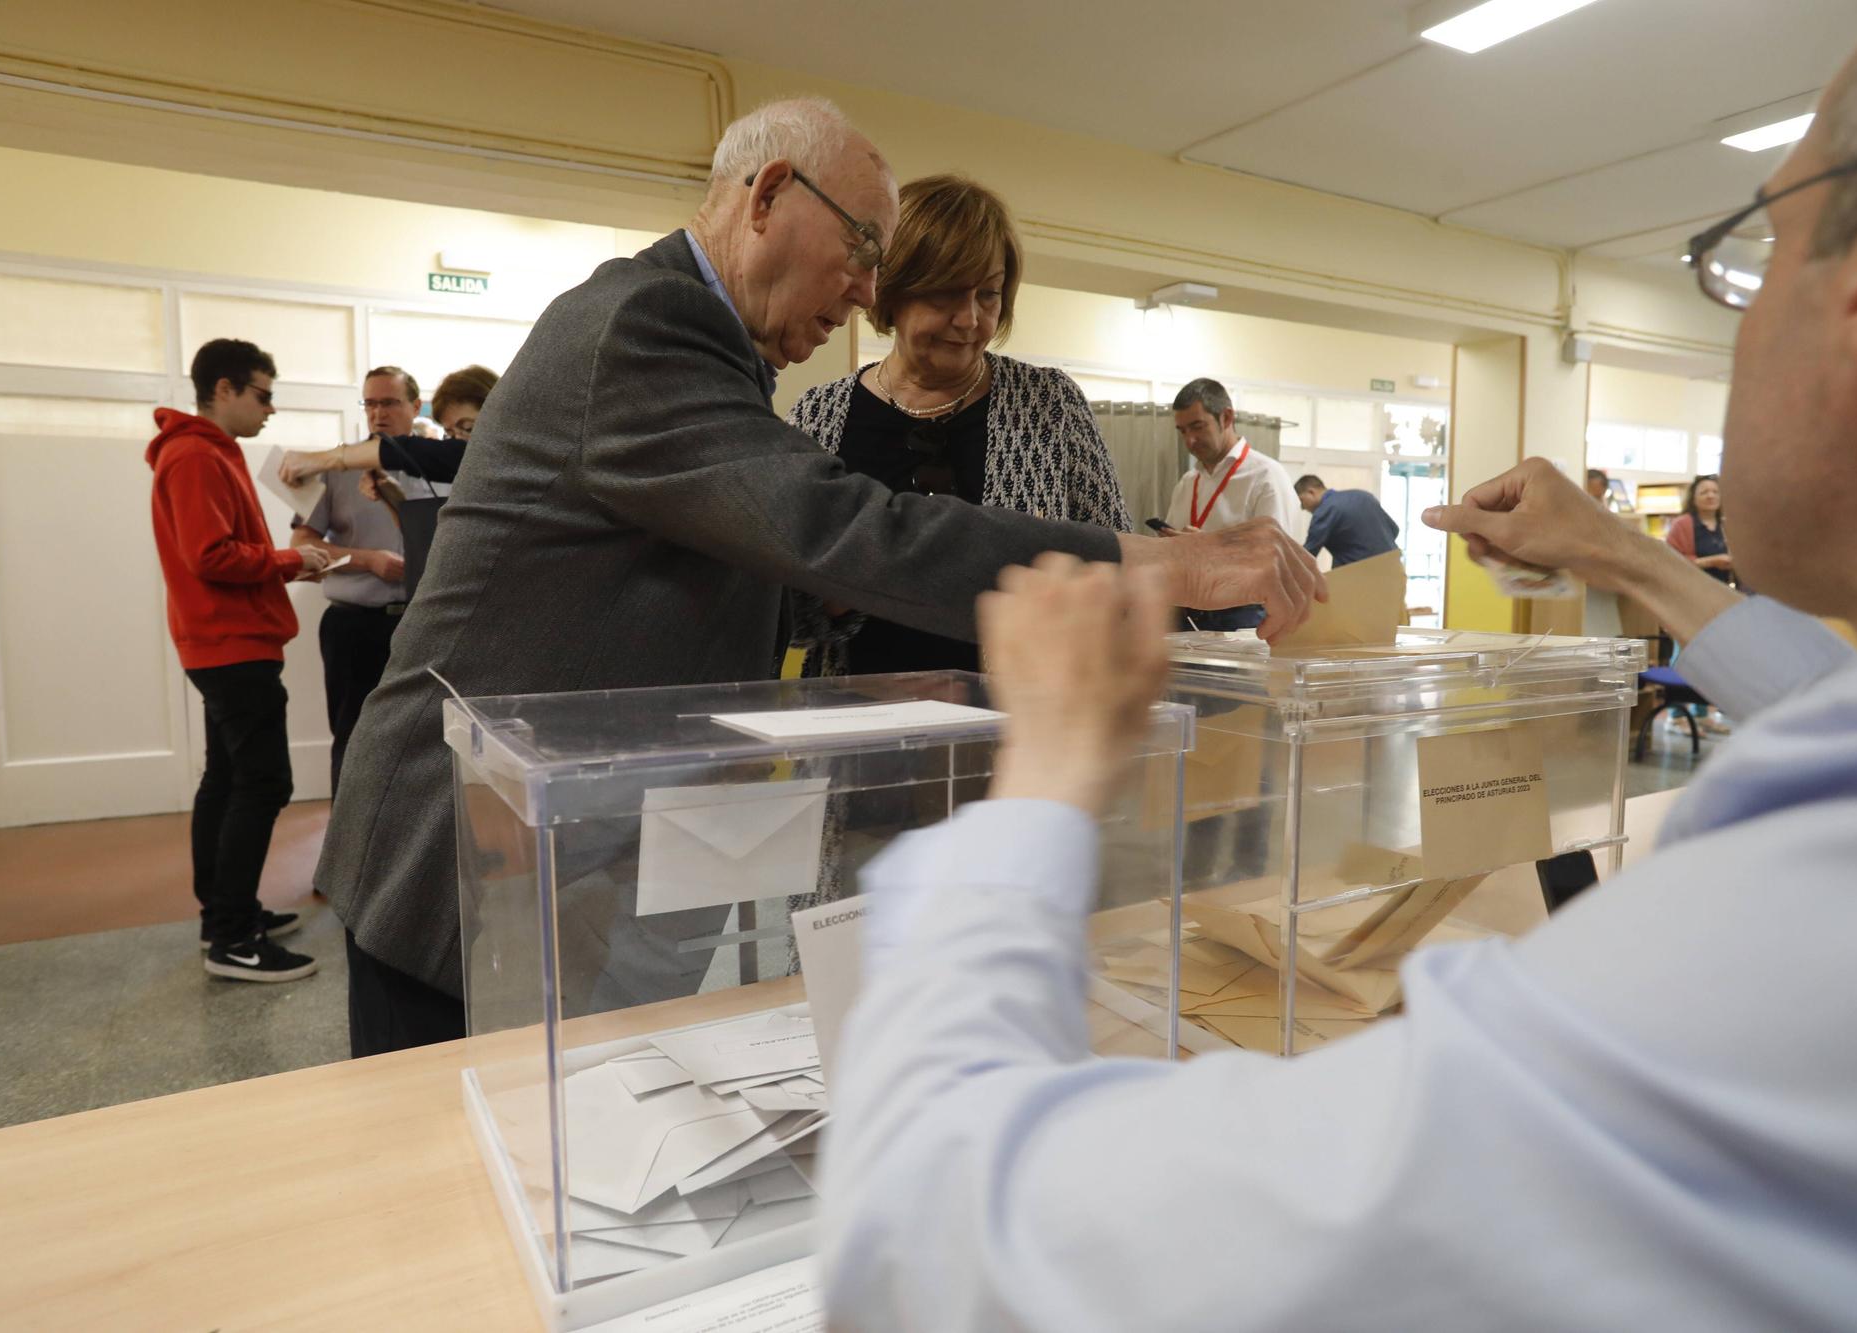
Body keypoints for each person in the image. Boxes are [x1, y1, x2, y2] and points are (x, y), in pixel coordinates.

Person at [817, 13, 1857, 1326]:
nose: (966, 317)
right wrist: (1629, 554)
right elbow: (1843, 713)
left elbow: (939, 1242)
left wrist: (1039, 780)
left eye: (1755, 251)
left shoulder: (1793, 943)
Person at [314, 96, 1323, 1058]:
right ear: (767, 197)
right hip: (474, 843)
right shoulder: (643, 326)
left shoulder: (725, 353)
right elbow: (846, 528)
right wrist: (1162, 560)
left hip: (579, 842)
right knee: (451, 1178)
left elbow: (763, 572)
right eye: (864, 254)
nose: (866, 292)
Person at [788, 174, 1131, 674]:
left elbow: (1114, 561)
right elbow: (783, 610)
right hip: (858, 729)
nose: (970, 320)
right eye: (945, 295)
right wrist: (844, 587)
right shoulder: (820, 416)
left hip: (1016, 730)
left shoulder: (1048, 405)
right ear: (891, 290)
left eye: (988, 295)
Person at [146, 338, 328, 983]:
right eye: (262, 394)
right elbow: (212, 556)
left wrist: (284, 565)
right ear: (224, 389)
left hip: (225, 640)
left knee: (225, 781)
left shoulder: (203, 453)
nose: (269, 410)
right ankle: (233, 940)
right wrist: (290, 561)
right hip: (231, 645)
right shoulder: (195, 456)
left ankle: (226, 912)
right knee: (262, 783)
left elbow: (217, 553)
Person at [289, 366, 433, 789]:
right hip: (355, 625)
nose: (378, 413)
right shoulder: (338, 467)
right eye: (370, 404)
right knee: (353, 741)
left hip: (420, 624)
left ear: (414, 405)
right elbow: (302, 545)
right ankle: (349, 850)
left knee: (420, 743)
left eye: (388, 402)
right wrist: (366, 559)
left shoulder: (436, 464)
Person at [1165, 377, 1295, 630]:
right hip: (1187, 618)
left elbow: (1277, 562)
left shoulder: (1266, 476)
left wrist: (1211, 549)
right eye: (1182, 431)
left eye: (1197, 427)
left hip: (1244, 621)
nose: (1189, 440)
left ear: (1226, 417)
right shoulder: (1187, 482)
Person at [279, 363, 496, 490]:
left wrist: (322, 459)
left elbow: (405, 450)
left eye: (467, 428)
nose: (458, 443)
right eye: (449, 434)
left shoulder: (501, 458)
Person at [1293, 474, 1399, 567]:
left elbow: (1309, 553)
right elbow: (1394, 530)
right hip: (1394, 566)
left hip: (1360, 575)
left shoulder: (1325, 510)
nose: (1303, 508)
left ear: (1311, 492)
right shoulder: (1364, 496)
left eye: (1301, 501)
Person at [1665, 473, 1733, 584]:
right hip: (1692, 590)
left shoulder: (1727, 524)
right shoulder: (1681, 525)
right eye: (1704, 492)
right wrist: (1711, 562)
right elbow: (1670, 561)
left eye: (1716, 492)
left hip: (1723, 590)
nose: (1711, 496)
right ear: (1693, 499)